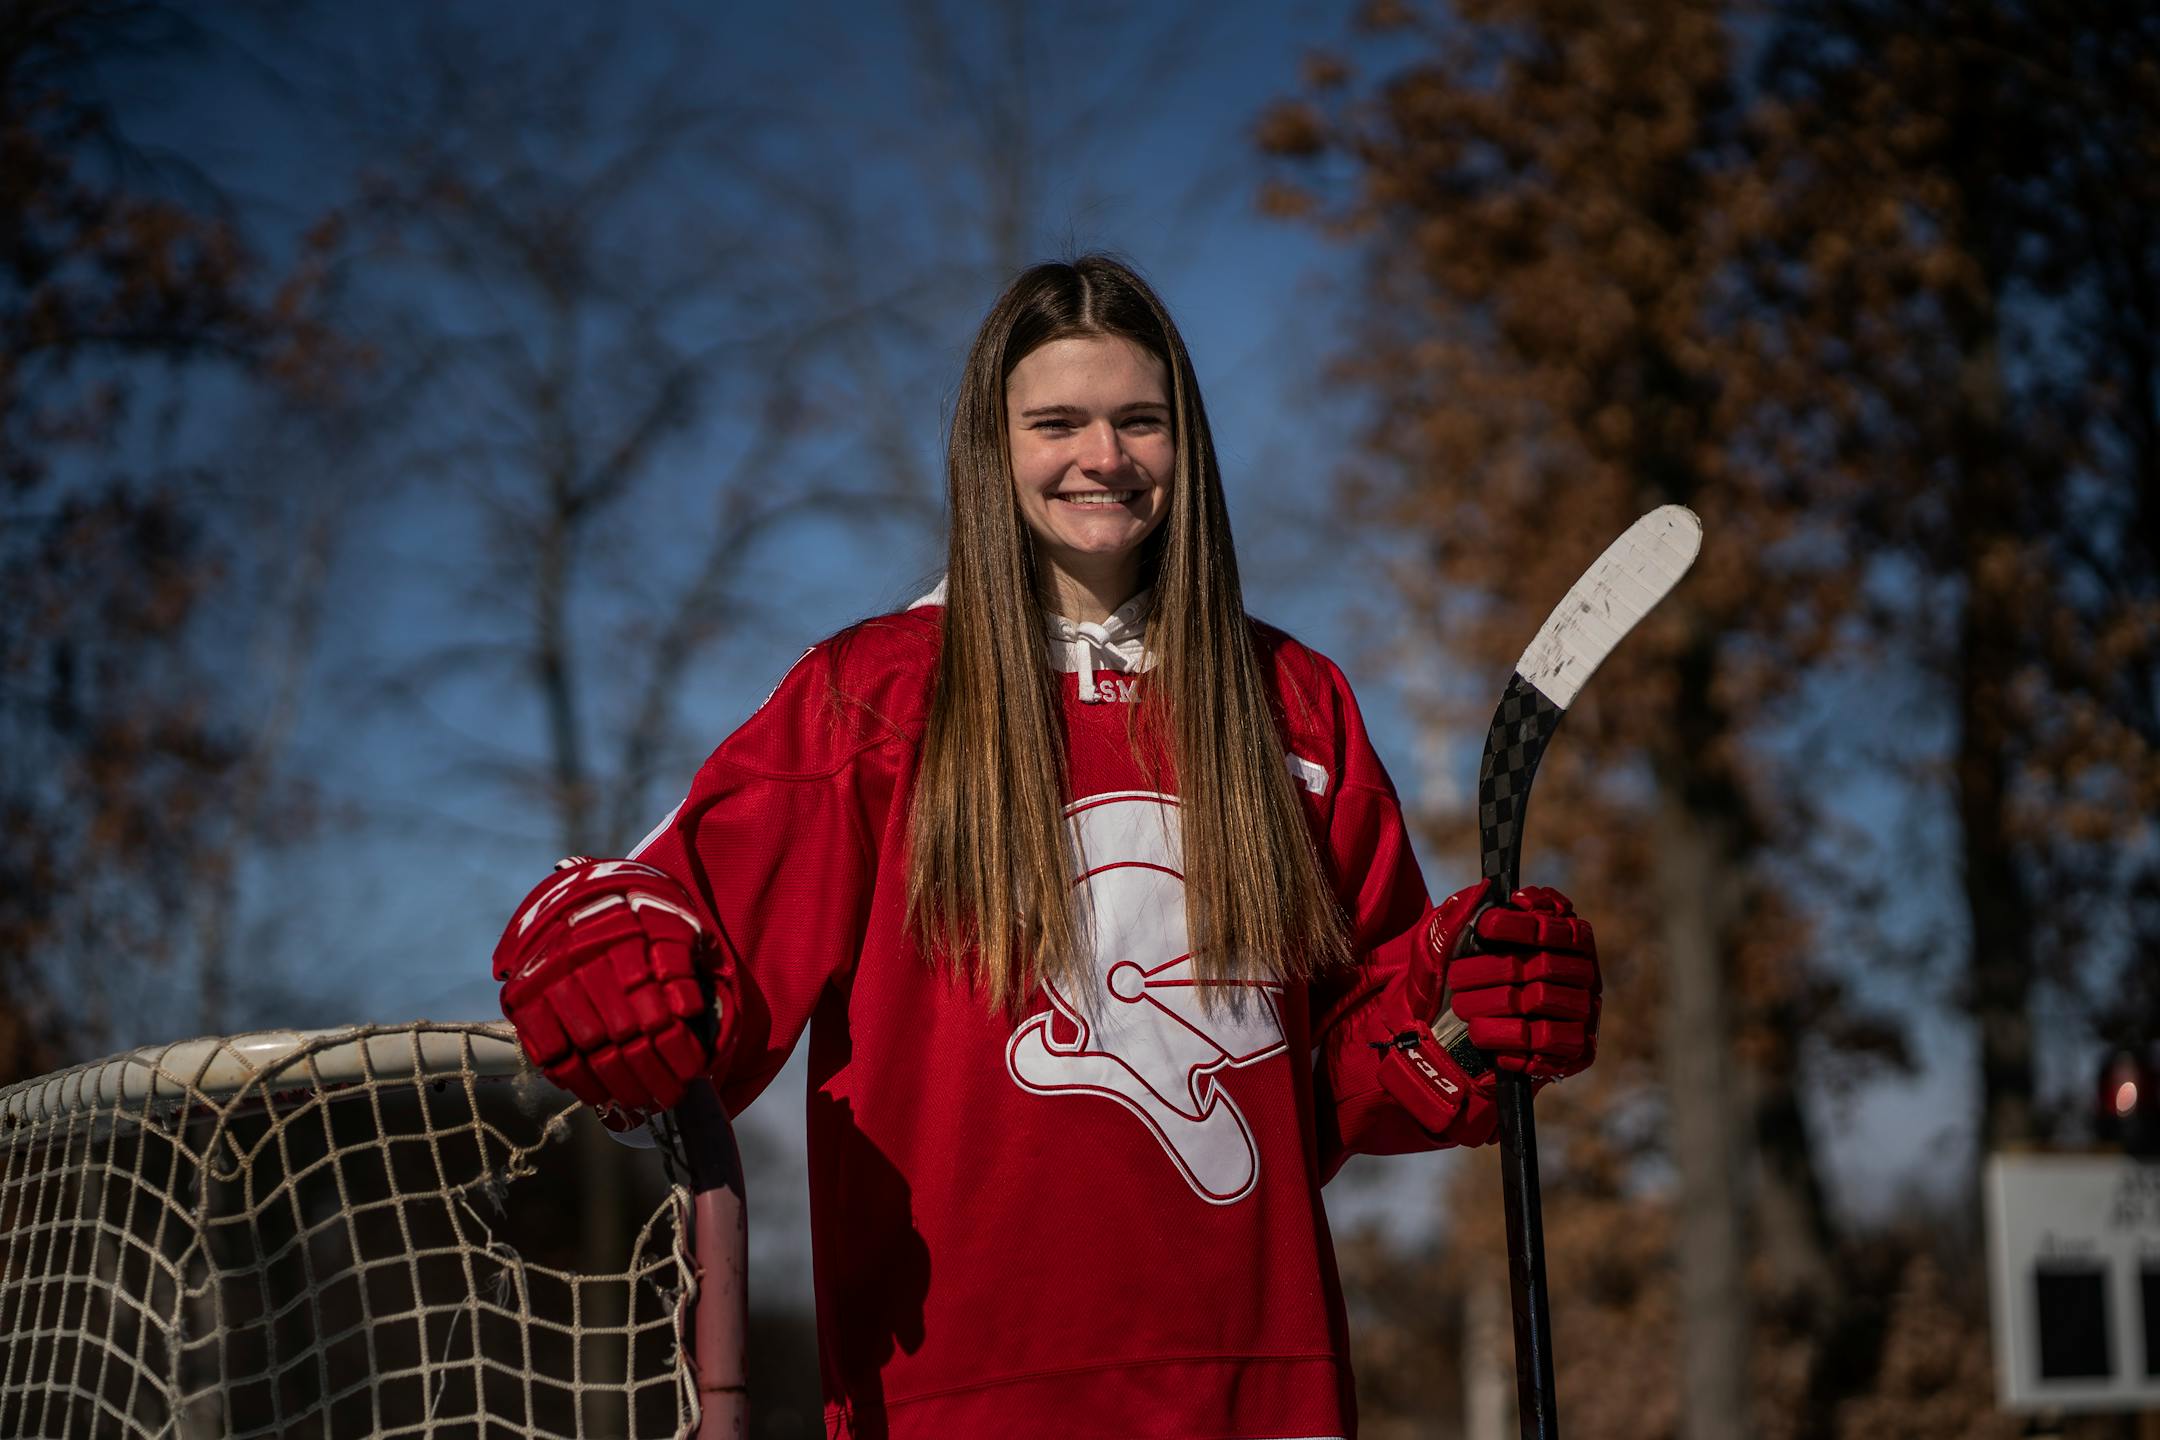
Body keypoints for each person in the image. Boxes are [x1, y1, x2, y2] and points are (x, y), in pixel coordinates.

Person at [491, 255, 1601, 1440]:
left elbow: (1337, 1066)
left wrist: (1462, 1005)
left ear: (1187, 446)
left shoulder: (1294, 704)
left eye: (1140, 421)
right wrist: (603, 952)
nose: (1104, 457)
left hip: (1263, 1386)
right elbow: (684, 955)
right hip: (959, 1389)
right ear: (992, 446)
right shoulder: (872, 696)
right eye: (1057, 423)